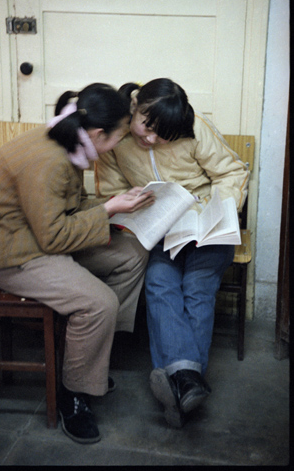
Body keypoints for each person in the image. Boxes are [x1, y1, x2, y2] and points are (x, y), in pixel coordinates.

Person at [0, 83, 155, 444]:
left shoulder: (71, 140)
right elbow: (54, 238)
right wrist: (110, 209)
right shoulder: (49, 160)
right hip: (8, 252)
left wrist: (111, 204)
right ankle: (74, 394)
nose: (119, 145)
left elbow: (69, 208)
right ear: (98, 133)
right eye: (118, 138)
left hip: (36, 235)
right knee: (99, 302)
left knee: (132, 255)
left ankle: (87, 358)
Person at [95, 78, 250, 428]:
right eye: (145, 128)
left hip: (206, 228)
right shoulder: (118, 137)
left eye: (161, 136)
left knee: (197, 284)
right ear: (136, 108)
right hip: (160, 228)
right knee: (160, 282)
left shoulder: (194, 128)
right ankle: (187, 383)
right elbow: (111, 190)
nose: (149, 139)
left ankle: (176, 380)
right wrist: (136, 204)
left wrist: (215, 208)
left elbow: (231, 172)